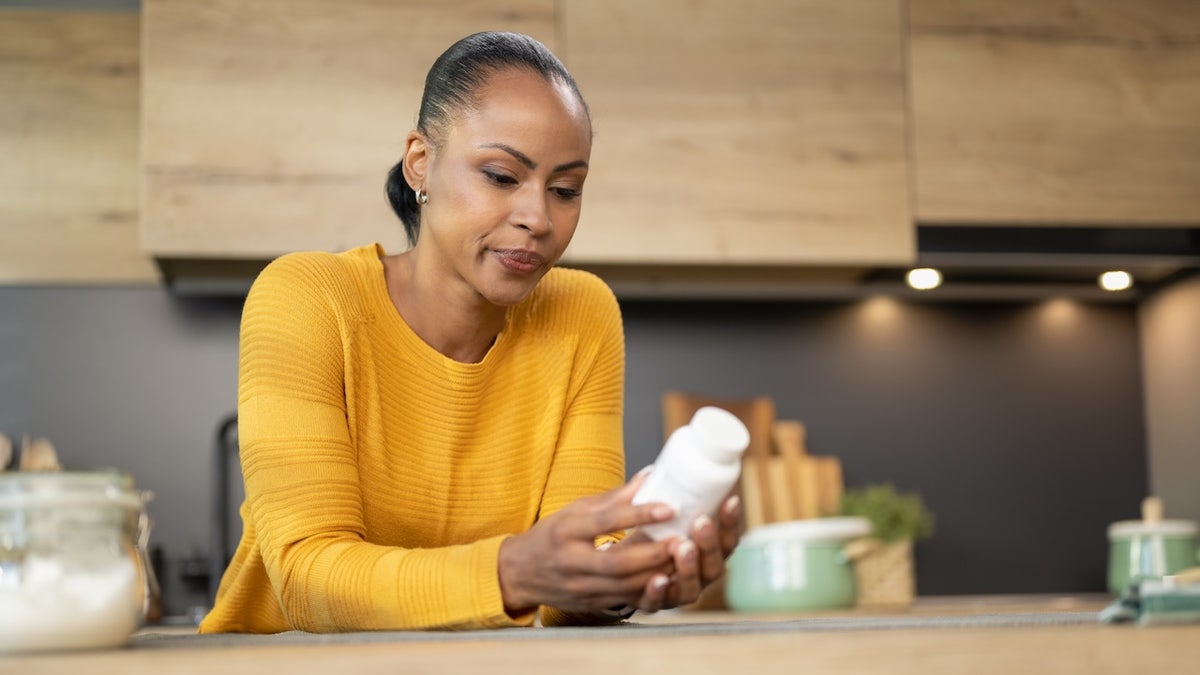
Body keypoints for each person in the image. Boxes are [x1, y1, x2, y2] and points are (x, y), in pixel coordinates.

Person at [199, 31, 741, 633]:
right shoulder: (308, 297)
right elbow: (306, 583)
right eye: (502, 176)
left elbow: (566, 593)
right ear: (420, 162)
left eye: (565, 190)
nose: (538, 218)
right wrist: (514, 573)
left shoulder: (582, 315)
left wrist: (630, 574)